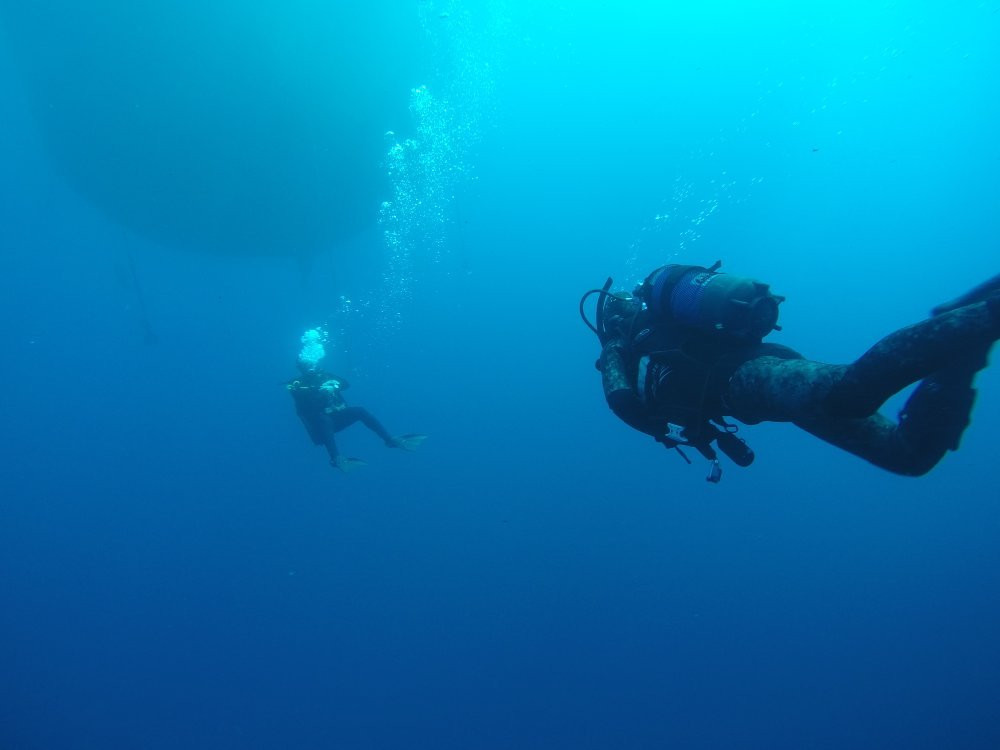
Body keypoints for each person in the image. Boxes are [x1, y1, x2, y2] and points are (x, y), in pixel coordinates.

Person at [582, 263, 1000, 482]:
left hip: (749, 379)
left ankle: (985, 316)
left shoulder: (621, 347)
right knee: (907, 456)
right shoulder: (651, 337)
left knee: (849, 393)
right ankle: (963, 343)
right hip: (763, 386)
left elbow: (621, 402)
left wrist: (651, 419)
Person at [287, 327, 426, 472]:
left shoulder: (325, 376)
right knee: (324, 419)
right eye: (305, 365)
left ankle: (390, 440)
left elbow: (346, 384)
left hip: (337, 417)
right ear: (300, 367)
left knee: (360, 411)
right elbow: (302, 402)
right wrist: (318, 391)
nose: (309, 368)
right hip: (320, 426)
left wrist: (334, 385)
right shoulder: (297, 384)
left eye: (310, 364)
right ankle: (336, 458)